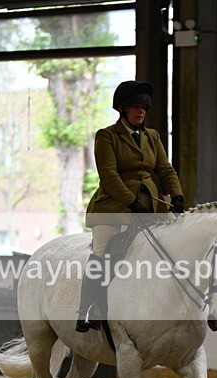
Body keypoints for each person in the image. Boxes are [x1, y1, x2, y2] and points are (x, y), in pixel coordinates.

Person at [76, 80, 186, 333]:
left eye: (144, 108)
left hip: (150, 206)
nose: (141, 112)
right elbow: (109, 175)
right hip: (113, 206)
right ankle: (88, 308)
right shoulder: (106, 136)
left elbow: (164, 169)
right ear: (123, 109)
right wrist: (131, 203)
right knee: (102, 252)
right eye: (136, 107)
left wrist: (177, 195)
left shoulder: (153, 136)